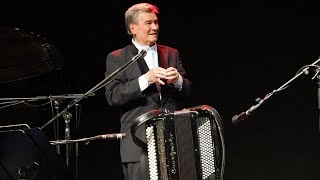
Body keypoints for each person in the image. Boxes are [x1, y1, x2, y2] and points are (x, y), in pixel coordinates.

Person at [104, 2, 192, 180]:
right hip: (138, 143)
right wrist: (146, 79)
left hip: (172, 140)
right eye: (148, 23)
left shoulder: (171, 53)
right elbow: (113, 96)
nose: (154, 27)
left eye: (156, 22)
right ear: (133, 28)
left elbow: (187, 90)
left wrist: (178, 80)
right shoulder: (117, 57)